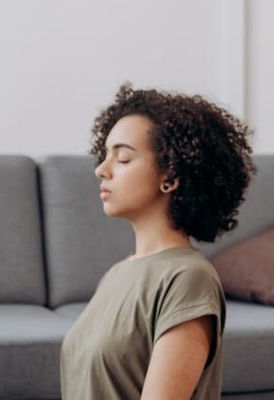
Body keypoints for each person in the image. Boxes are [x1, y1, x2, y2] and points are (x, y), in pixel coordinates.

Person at [61, 84, 254, 400]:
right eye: (105, 155)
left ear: (171, 176)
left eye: (122, 158)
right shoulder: (117, 274)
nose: (101, 170)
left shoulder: (188, 278)